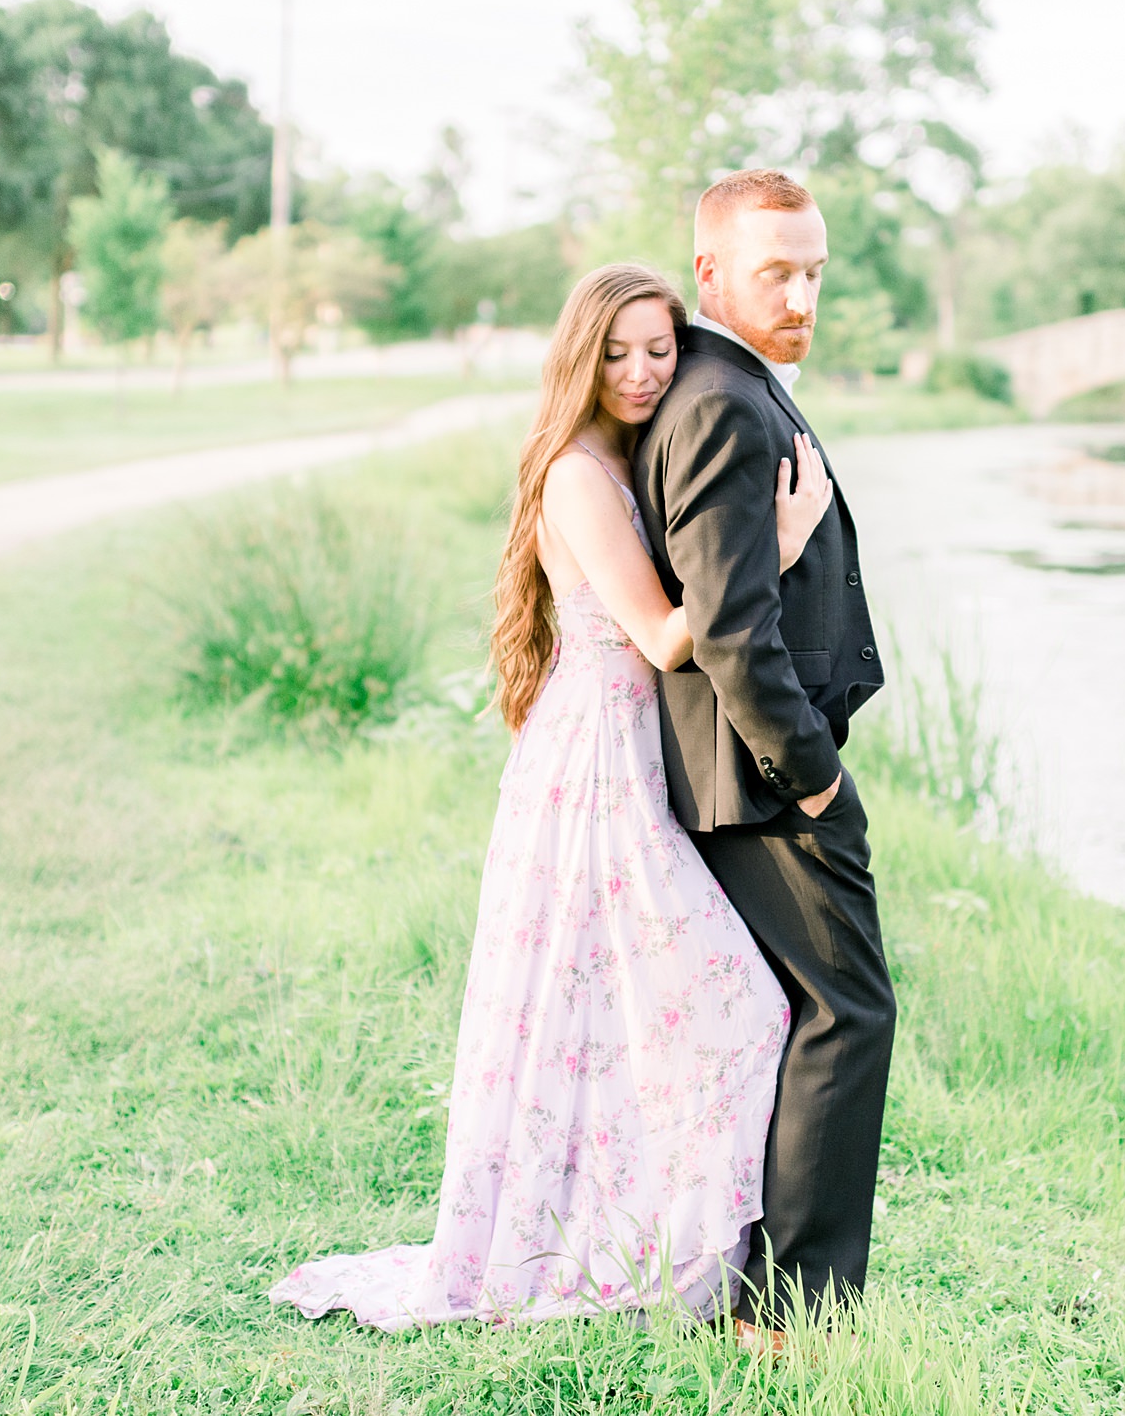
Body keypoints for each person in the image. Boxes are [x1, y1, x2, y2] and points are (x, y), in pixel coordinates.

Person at [269, 261, 835, 1330]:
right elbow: (669, 634)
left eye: (659, 350)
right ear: (581, 357)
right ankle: (640, 1241)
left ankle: (630, 1218)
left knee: (617, 1013)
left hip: (619, 758)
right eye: (616, 353)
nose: (639, 371)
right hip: (594, 771)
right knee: (729, 1002)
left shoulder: (631, 452)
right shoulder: (580, 472)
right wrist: (785, 540)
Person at [632, 169, 891, 1350]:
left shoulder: (723, 382)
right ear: (712, 273)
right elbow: (729, 629)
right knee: (846, 1013)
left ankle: (756, 1282)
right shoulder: (726, 400)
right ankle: (789, 1316)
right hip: (764, 778)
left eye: (815, 273)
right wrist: (816, 776)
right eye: (777, 270)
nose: (801, 294)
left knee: (796, 1015)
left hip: (755, 770)